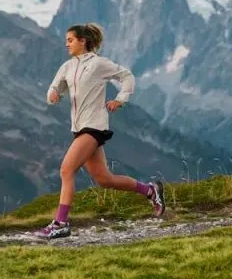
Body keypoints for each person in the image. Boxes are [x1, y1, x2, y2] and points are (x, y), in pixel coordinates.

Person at [35, 22, 165, 240]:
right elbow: (53, 88)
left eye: (70, 40)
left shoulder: (98, 64)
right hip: (79, 128)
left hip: (94, 126)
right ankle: (150, 190)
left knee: (66, 170)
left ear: (82, 41)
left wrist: (120, 99)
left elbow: (127, 76)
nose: (66, 44)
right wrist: (53, 95)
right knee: (105, 179)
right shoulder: (66, 67)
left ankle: (61, 223)